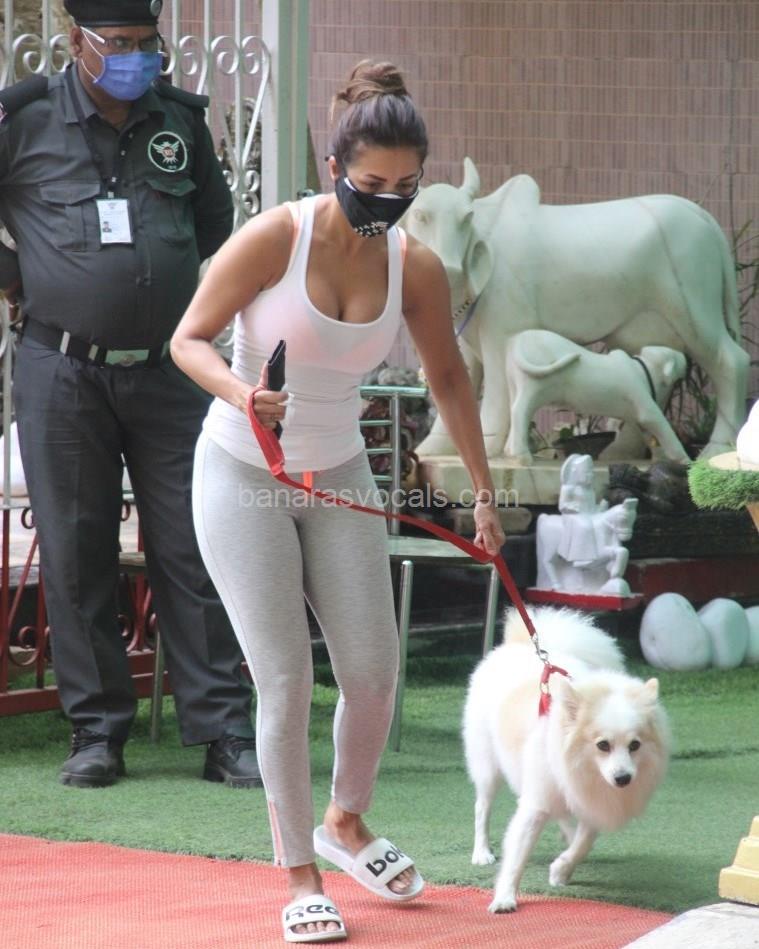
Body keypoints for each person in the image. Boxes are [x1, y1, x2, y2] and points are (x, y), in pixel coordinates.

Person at [171, 60, 506, 943]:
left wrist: (481, 492)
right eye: (370, 185)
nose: (386, 202)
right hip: (242, 470)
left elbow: (448, 378)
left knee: (371, 672)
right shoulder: (273, 238)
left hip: (339, 471)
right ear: (333, 169)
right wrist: (243, 394)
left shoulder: (414, 265)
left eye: (405, 187)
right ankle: (299, 874)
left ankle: (345, 822)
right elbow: (187, 339)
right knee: (284, 680)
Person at [0, 0, 261, 790]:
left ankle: (223, 730)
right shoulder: (24, 120)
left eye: (148, 43)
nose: (137, 58)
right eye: (119, 43)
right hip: (62, 371)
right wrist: (21, 279)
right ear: (75, 40)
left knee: (195, 544)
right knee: (77, 551)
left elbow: (215, 223)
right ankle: (97, 732)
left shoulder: (177, 119)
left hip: (169, 370)